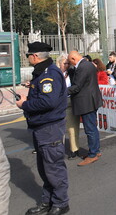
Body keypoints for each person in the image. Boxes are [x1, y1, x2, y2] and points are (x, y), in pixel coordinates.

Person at [16, 42, 69, 215]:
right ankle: (47, 202)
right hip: (42, 126)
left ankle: (61, 203)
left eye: (28, 55)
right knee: (45, 168)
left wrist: (25, 104)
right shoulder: (42, 72)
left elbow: (49, 101)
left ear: (35, 56)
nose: (28, 58)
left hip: (49, 127)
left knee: (53, 168)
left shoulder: (49, 73)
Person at [67, 51, 103, 167]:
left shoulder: (83, 67)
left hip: (87, 102)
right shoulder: (86, 64)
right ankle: (95, 151)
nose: (69, 64)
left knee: (90, 129)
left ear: (73, 58)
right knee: (92, 127)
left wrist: (61, 91)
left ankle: (93, 154)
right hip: (89, 100)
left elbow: (77, 86)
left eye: (69, 62)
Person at [56, 54, 80, 160]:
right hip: (58, 103)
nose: (66, 65)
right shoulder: (55, 74)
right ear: (59, 63)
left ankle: (74, 149)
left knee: (72, 128)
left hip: (70, 101)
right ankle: (58, 149)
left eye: (68, 63)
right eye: (64, 63)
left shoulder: (72, 72)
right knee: (58, 129)